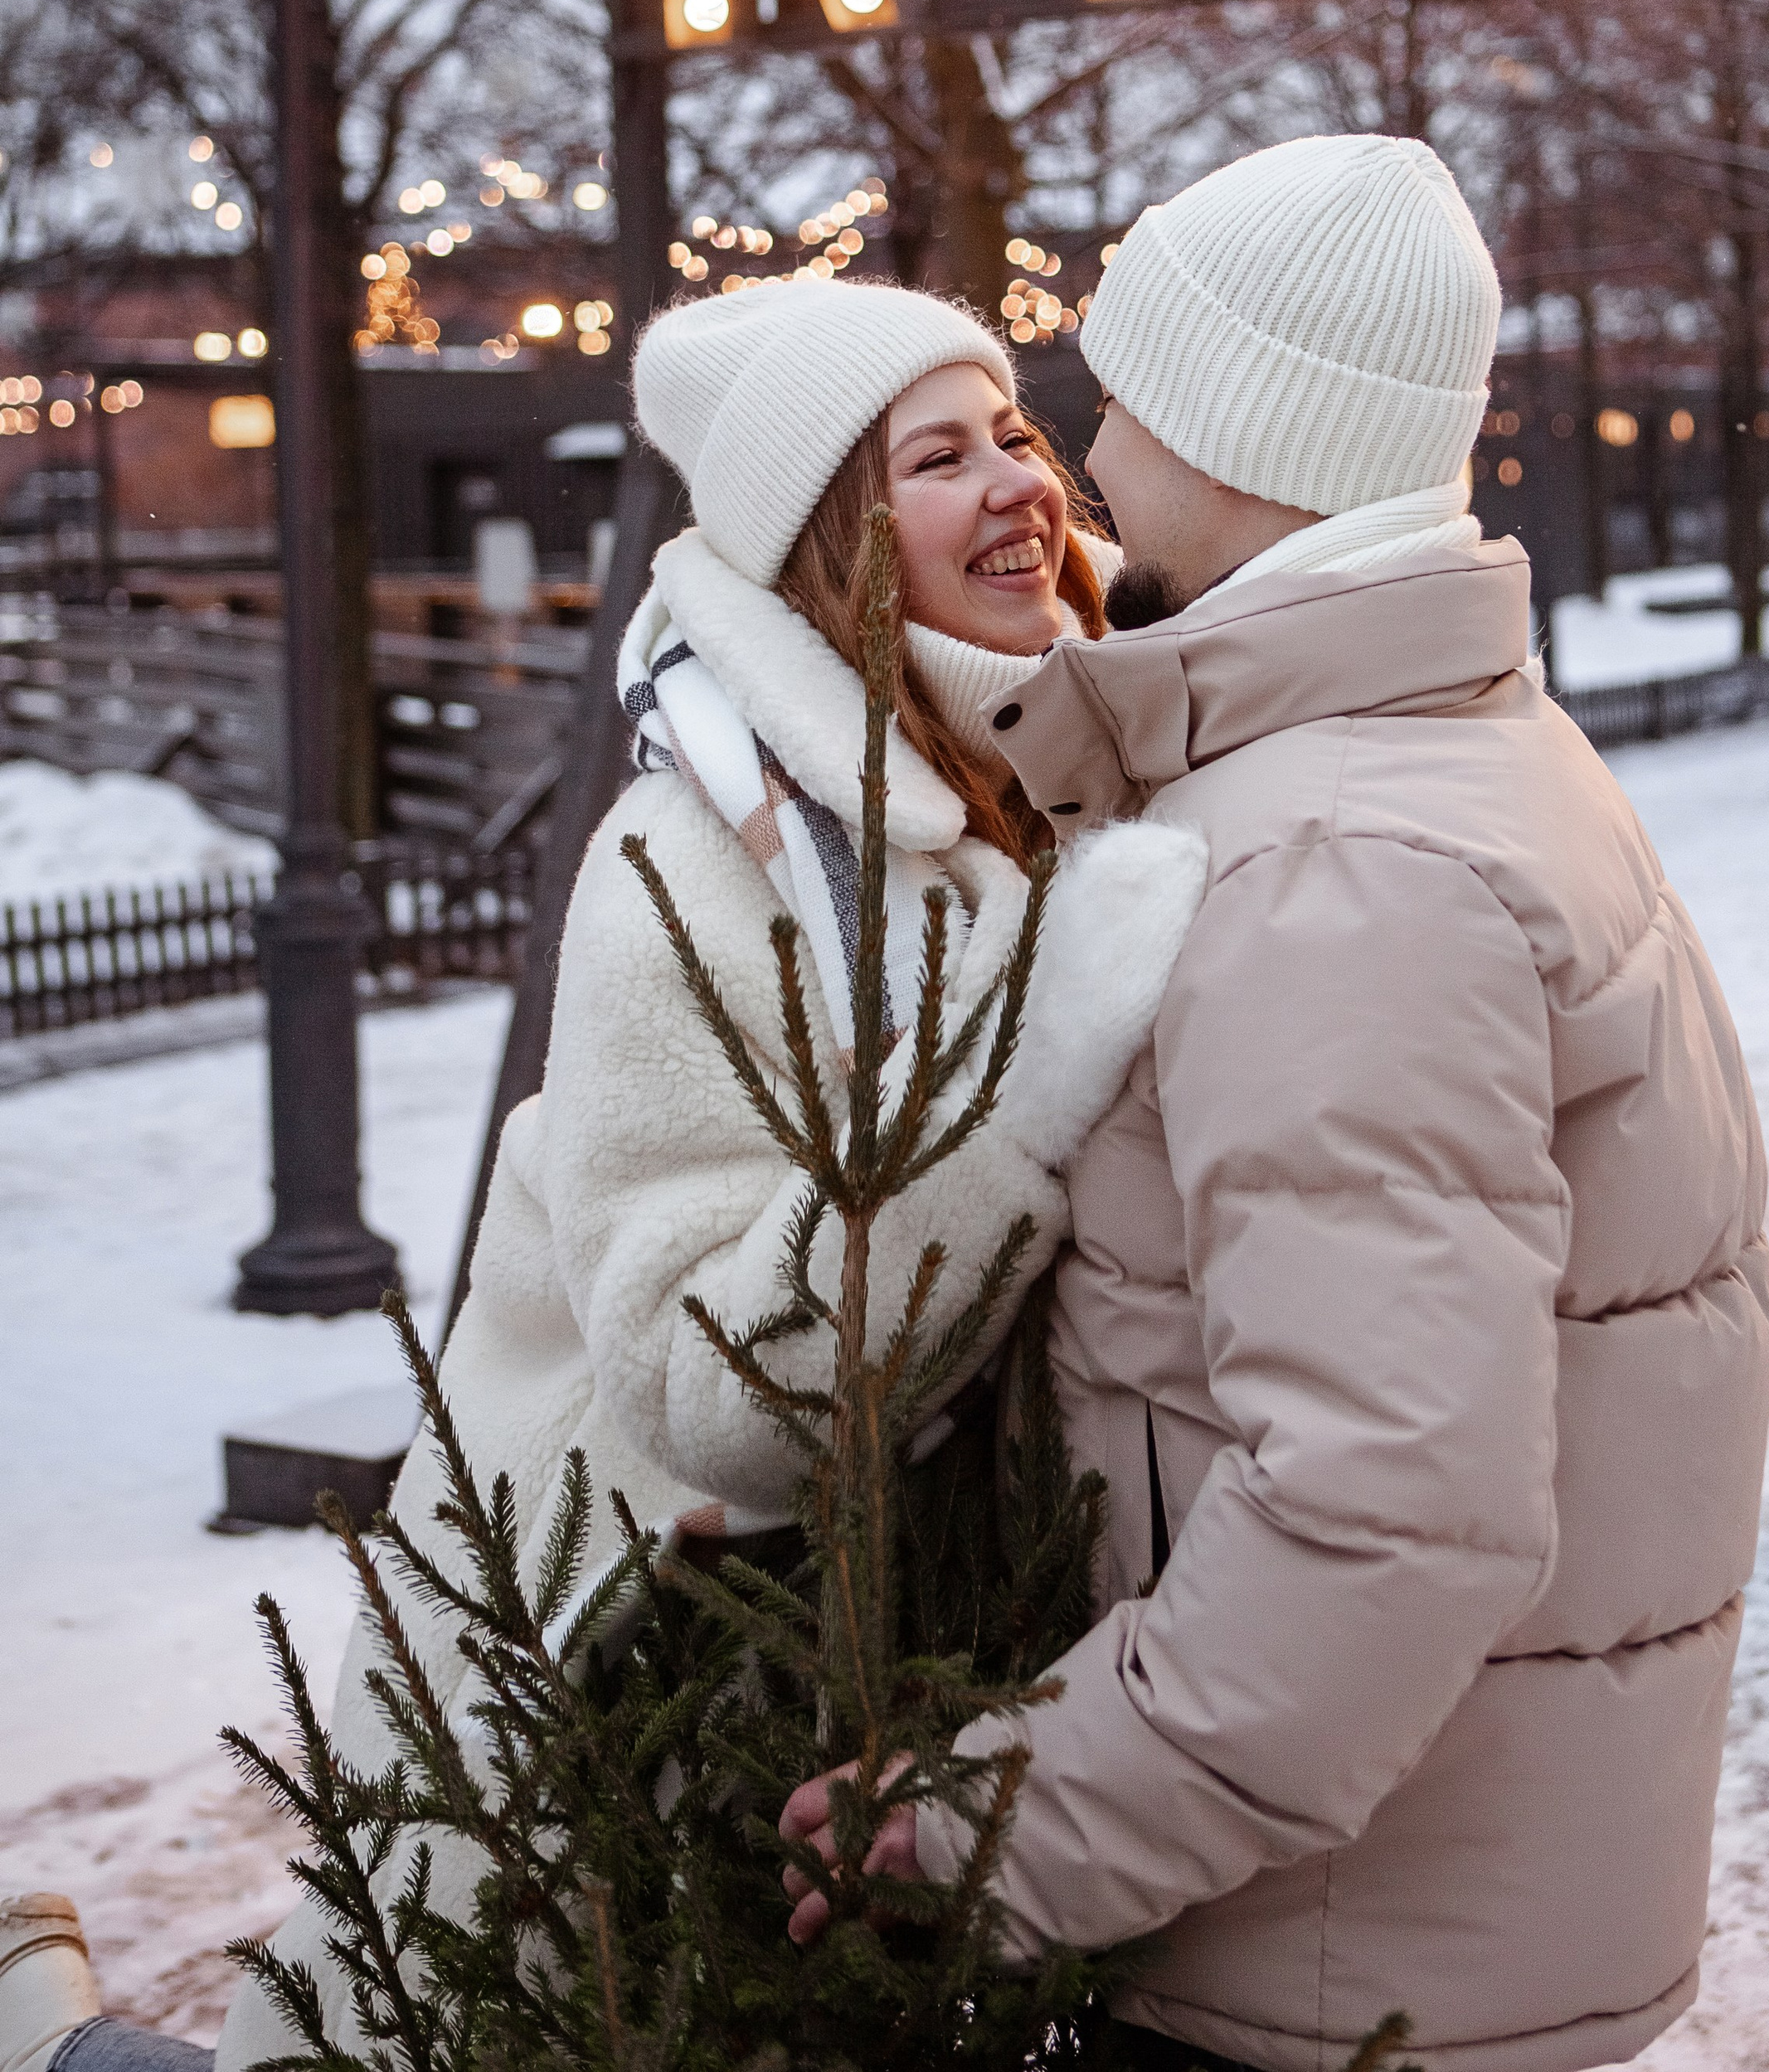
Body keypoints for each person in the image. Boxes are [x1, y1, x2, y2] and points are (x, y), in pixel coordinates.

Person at [782, 134, 1769, 2072]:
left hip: (1321, 1968)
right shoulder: (1442, 753)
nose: (1087, 454)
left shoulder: (1333, 861)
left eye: (1123, 396)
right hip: (1408, 1920)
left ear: (1240, 431)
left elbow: (1381, 1509)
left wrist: (997, 1832)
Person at [193, 279, 1207, 2072]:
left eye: (1014, 433)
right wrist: (1011, 1101)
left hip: (907, 1686)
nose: (1018, 483)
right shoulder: (693, 863)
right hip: (634, 1707)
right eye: (935, 460)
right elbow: (708, 1392)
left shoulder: (1066, 772)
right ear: (830, 541)